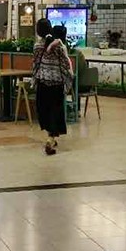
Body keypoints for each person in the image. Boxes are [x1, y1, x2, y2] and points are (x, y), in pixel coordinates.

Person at [33, 19, 72, 155]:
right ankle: (51, 138)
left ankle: (51, 137)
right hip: (57, 83)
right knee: (55, 111)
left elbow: (35, 63)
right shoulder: (59, 45)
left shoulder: (37, 46)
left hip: (43, 82)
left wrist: (34, 79)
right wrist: (68, 80)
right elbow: (65, 64)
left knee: (44, 110)